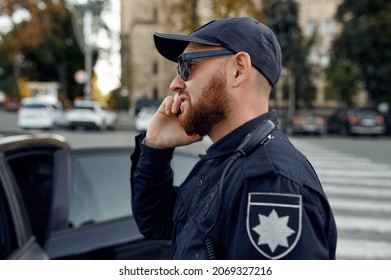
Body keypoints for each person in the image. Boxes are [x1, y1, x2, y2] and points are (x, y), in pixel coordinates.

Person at [130, 16, 337, 260]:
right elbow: (157, 223)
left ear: (238, 70)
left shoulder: (271, 183)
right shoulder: (224, 159)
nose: (175, 83)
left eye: (186, 65)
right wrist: (155, 148)